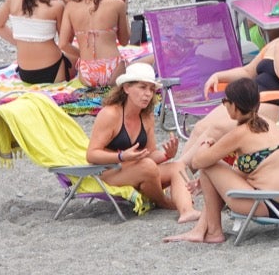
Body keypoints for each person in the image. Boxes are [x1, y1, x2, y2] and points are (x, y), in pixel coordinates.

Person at [176, 0, 279, 166]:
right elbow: (248, 71)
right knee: (201, 127)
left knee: (217, 129)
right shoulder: (276, 44)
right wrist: (219, 76)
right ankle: (177, 174)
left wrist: (278, 47)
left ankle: (179, 176)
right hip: (252, 100)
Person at [163, 77, 279, 244]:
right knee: (210, 173)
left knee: (209, 166)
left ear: (234, 106)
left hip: (266, 205)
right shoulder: (270, 125)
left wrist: (207, 143)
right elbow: (251, 170)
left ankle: (212, 232)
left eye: (224, 101)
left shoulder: (241, 133)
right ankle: (201, 230)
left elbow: (198, 162)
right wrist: (203, 182)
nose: (224, 105)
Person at [86, 63, 200, 222]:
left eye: (152, 90)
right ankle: (163, 202)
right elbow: (91, 154)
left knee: (177, 166)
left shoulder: (146, 116)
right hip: (109, 173)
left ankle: (187, 211)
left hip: (141, 170)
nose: (148, 94)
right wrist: (121, 156)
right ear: (126, 88)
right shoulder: (110, 114)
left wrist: (167, 155)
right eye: (142, 87)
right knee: (147, 166)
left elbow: (150, 154)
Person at [60, 0, 131, 88]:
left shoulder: (71, 6)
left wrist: (82, 54)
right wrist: (125, 10)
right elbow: (125, 41)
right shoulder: (117, 4)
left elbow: (63, 44)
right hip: (112, 67)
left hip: (87, 70)